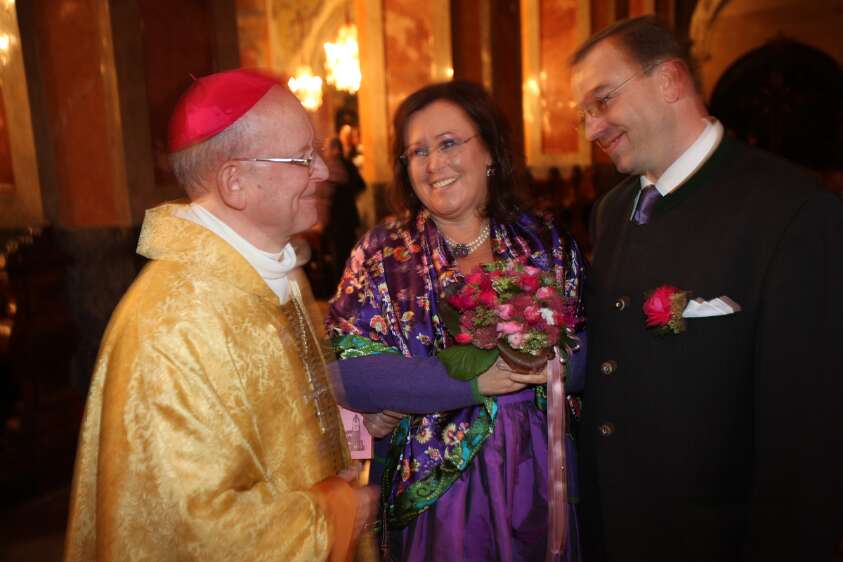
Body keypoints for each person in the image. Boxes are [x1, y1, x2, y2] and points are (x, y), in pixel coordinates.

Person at [63, 69, 380, 561]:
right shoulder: (172, 326)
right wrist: (337, 514)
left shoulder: (274, 273)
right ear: (235, 182)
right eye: (302, 158)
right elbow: (188, 532)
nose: (323, 171)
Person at [570, 16, 843, 562]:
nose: (591, 128)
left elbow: (808, 438)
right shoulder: (613, 210)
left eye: (602, 101)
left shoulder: (794, 213)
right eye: (583, 114)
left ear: (670, 80)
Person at [326, 81, 587, 562]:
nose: (433, 164)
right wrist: (470, 381)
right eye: (417, 152)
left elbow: (591, 350)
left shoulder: (544, 242)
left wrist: (557, 362)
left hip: (539, 476)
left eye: (448, 143)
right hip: (436, 495)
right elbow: (345, 374)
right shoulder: (383, 254)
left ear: (488, 148)